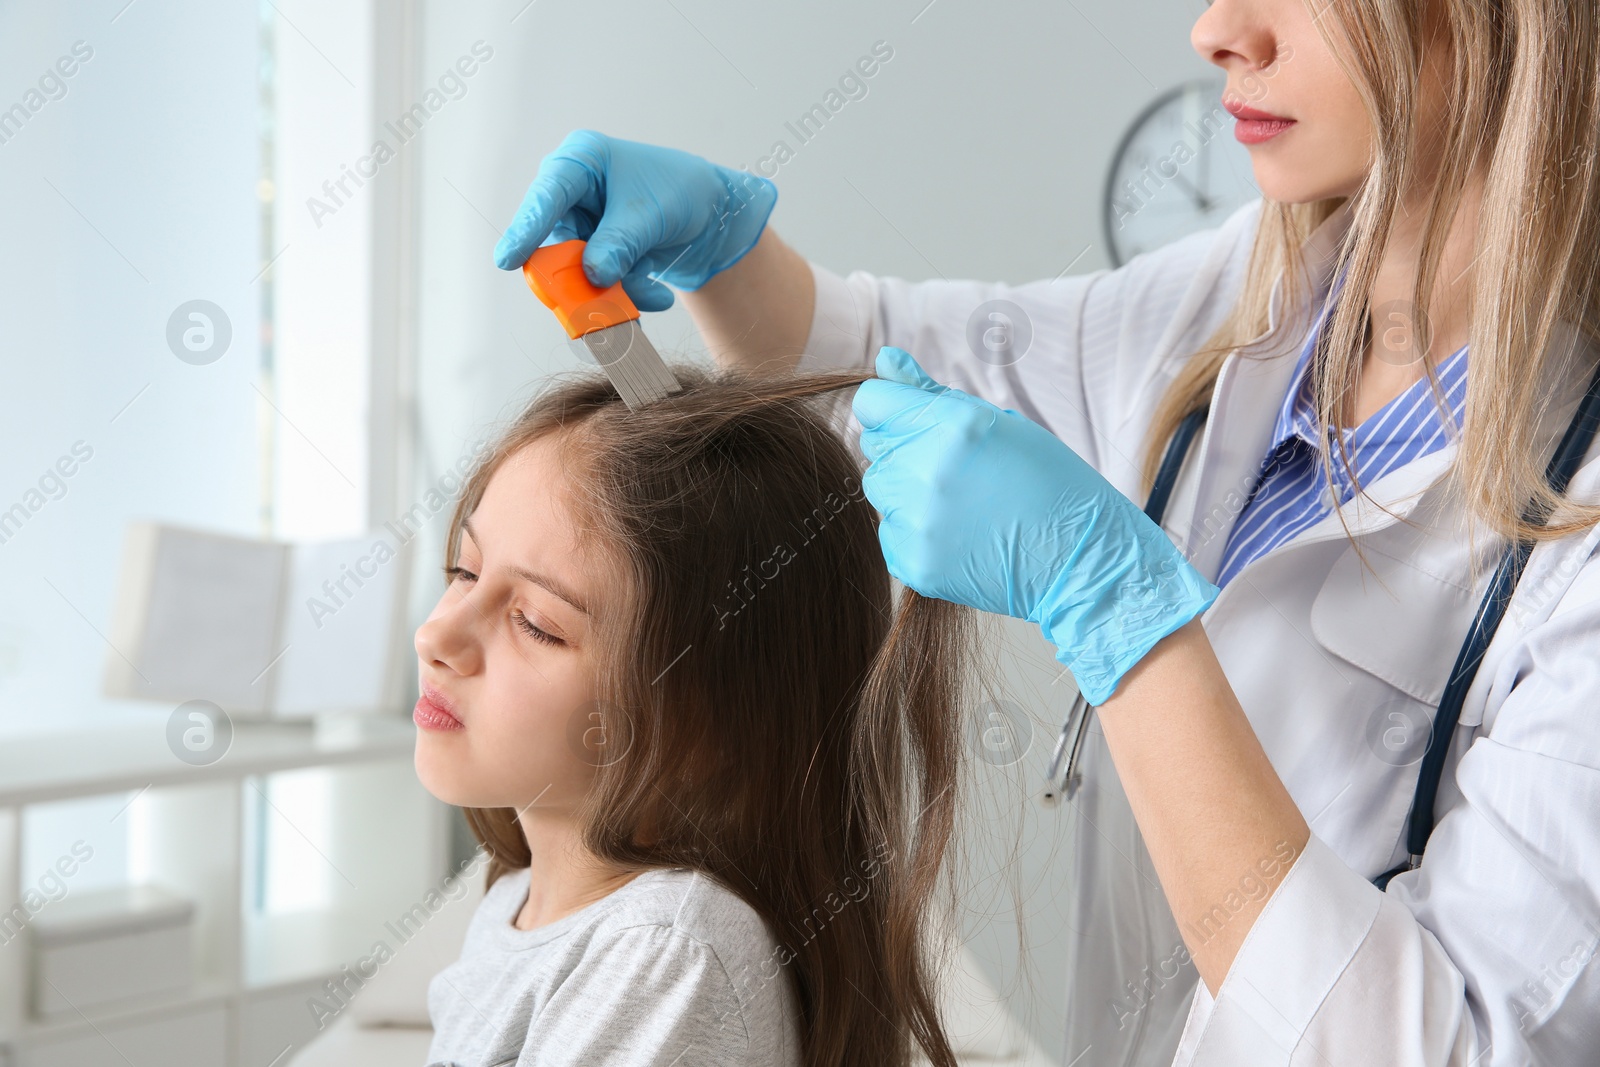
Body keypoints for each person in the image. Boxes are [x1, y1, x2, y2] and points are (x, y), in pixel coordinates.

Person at [489, 0, 1600, 1064]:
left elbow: (1454, 1048)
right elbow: (889, 366)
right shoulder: (1245, 291)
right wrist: (727, 257)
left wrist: (1121, 615)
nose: (1217, 32)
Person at [413, 367, 978, 1067]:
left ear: (705, 727)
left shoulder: (666, 952)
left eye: (534, 623)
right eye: (465, 572)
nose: (435, 637)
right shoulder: (519, 904)